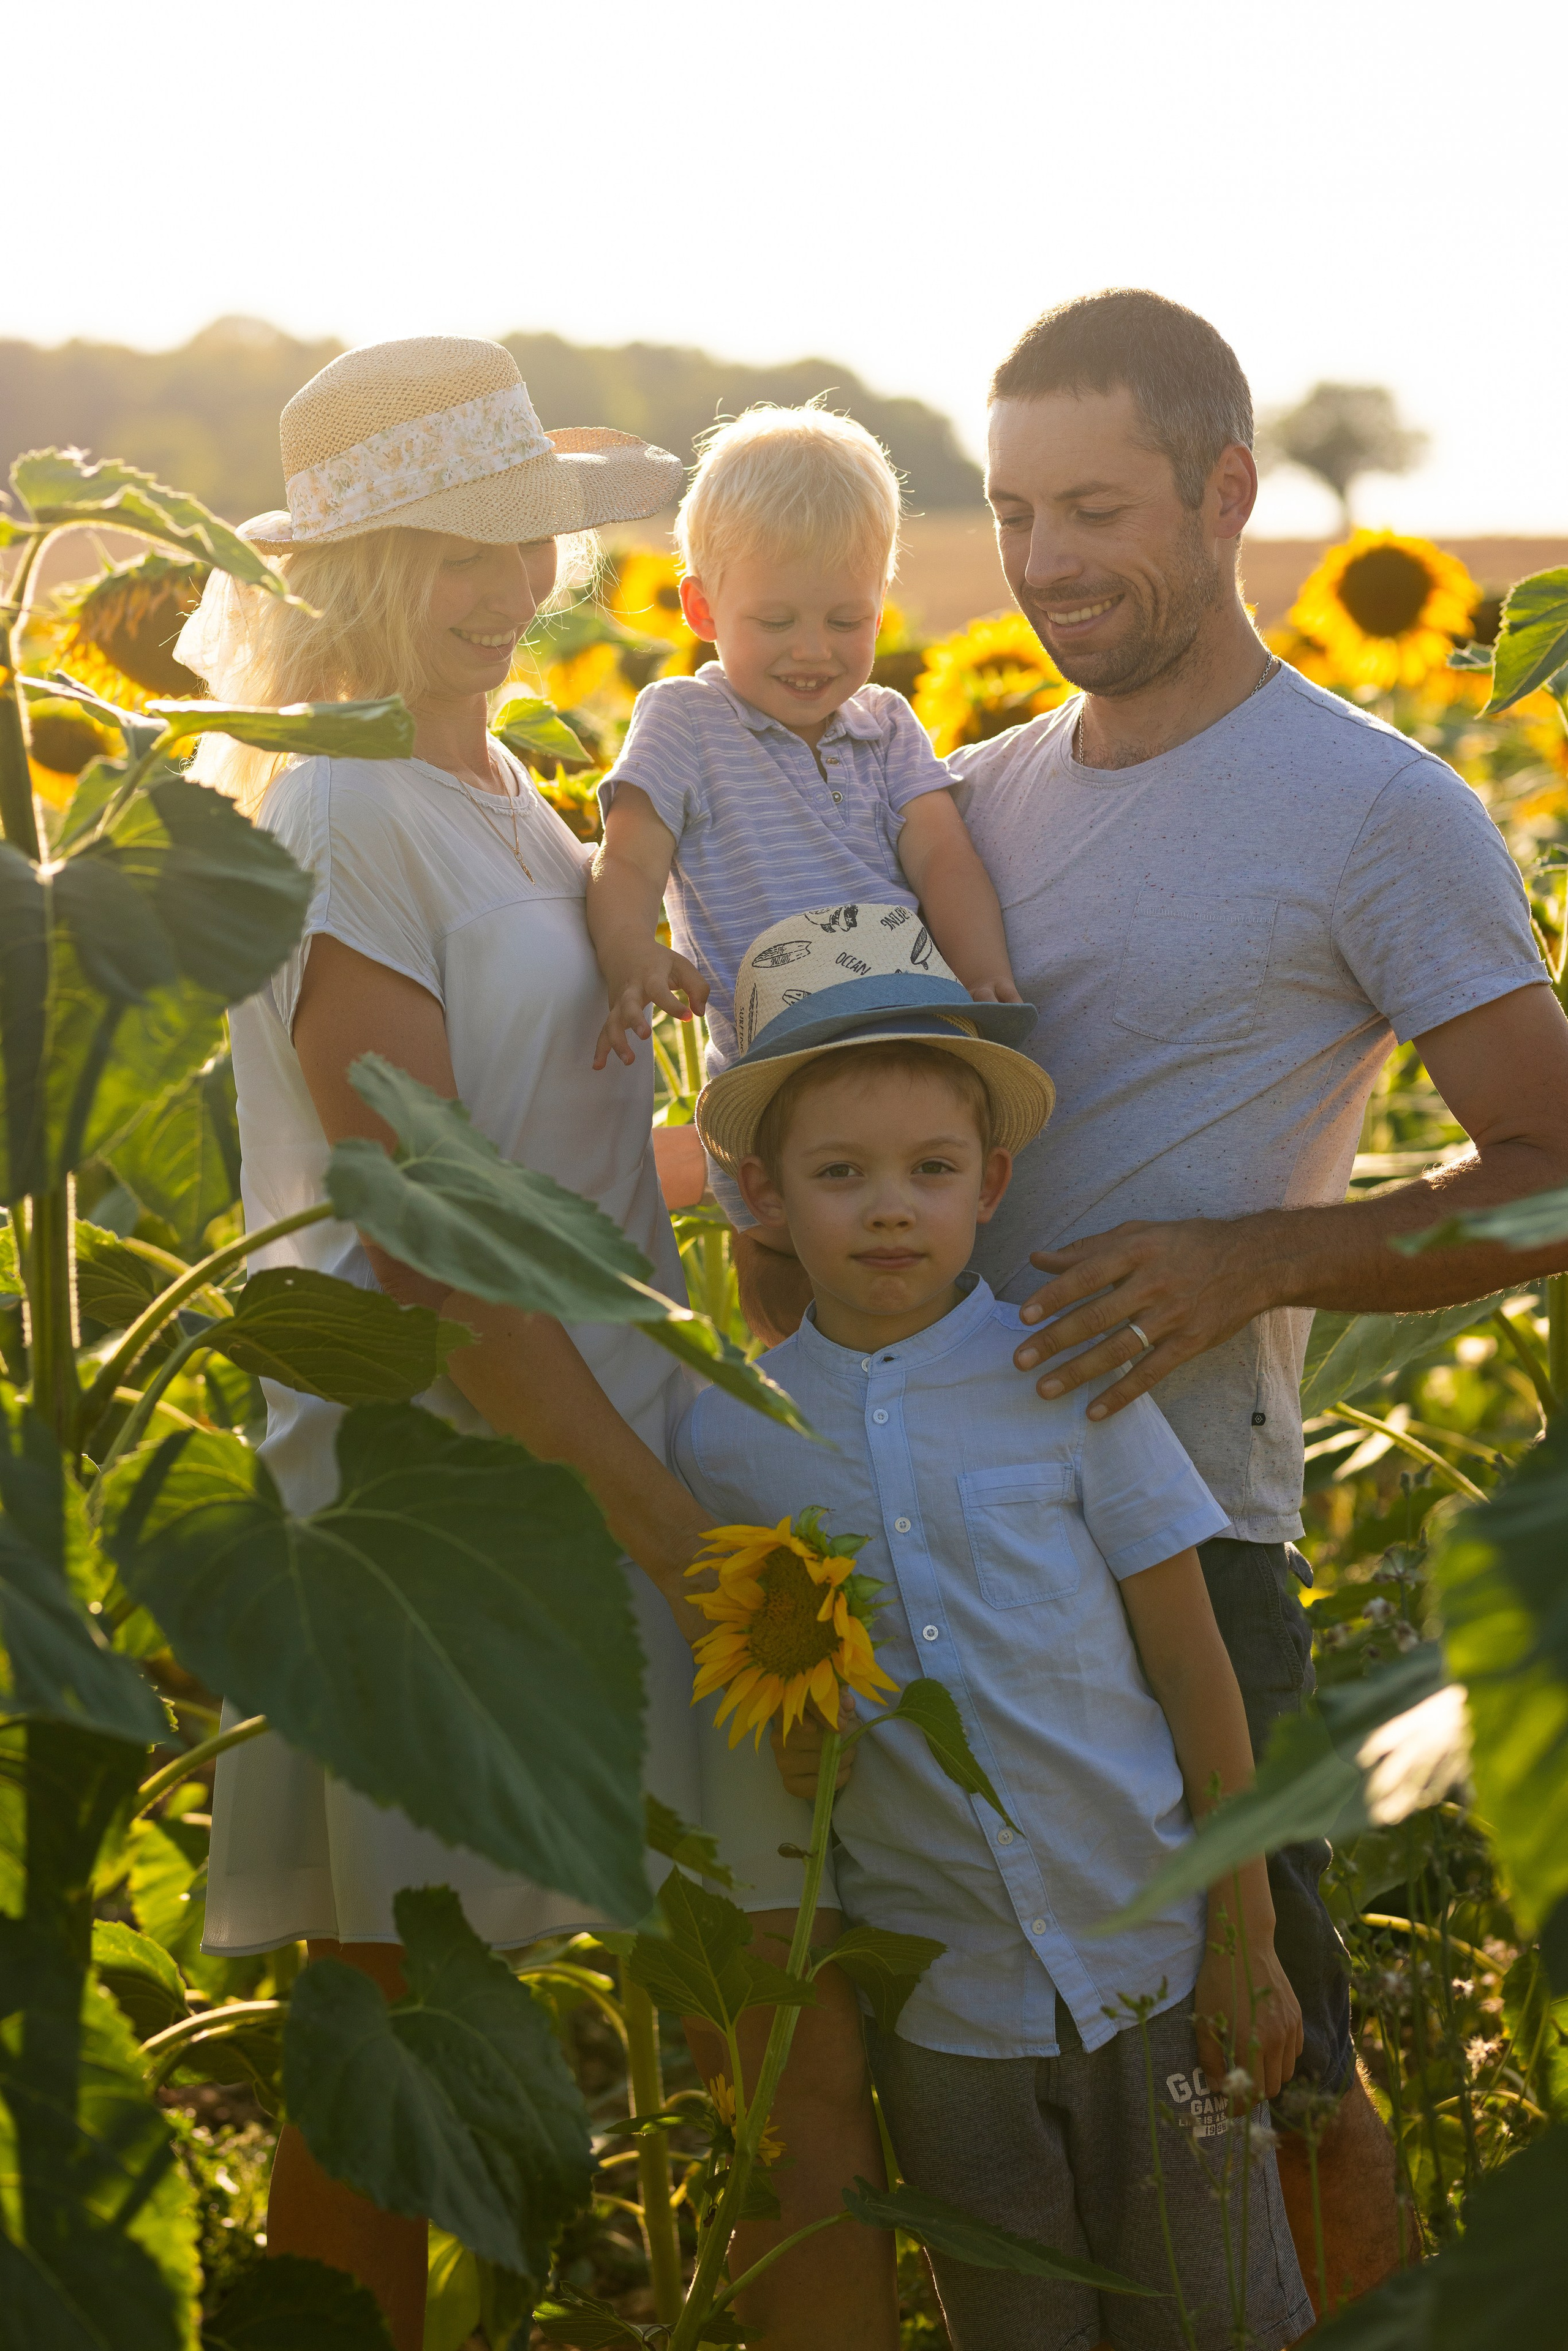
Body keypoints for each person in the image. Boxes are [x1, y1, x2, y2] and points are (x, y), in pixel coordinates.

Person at [179, 337, 892, 2351]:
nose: (514, 583)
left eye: (525, 539)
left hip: (608, 1412)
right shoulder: (337, 808)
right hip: (451, 1492)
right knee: (401, 2047)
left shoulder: (491, 778)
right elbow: (424, 1235)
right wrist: (675, 1528)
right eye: (461, 551)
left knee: (768, 1989)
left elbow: (547, 1148)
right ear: (358, 573)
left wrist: (750, 1164)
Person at [943, 287, 1568, 2309]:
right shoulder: (968, 796)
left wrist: (1253, 1260)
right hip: (947, 1512)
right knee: (990, 2062)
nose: (1045, 564)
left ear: (1227, 495)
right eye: (1013, 509)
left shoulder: (1378, 807)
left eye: (1096, 507)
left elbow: (1556, 1162)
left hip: (1190, 1533)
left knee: (1275, 2047)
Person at [674, 909, 1314, 2351]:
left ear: (990, 1184)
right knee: (1014, 2320)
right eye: (840, 1175)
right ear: (763, 1194)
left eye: (928, 1170)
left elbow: (1187, 1660)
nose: (887, 1207)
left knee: (1216, 2311)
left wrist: (1245, 1932)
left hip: (1154, 1963)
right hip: (946, 2007)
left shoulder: (1061, 1375)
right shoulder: (727, 1434)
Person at [585, 402, 1019, 1327]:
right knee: (782, 1250)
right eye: (776, 618)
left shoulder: (888, 725)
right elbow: (628, 859)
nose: (814, 650)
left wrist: (982, 969)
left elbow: (943, 854)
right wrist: (630, 952)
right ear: (702, 606)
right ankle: (796, 1407)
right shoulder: (687, 722)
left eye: (845, 618)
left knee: (910, 1257)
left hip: (903, 1037)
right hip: (775, 1062)